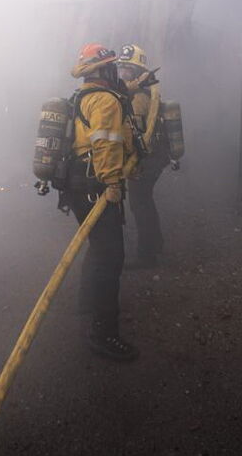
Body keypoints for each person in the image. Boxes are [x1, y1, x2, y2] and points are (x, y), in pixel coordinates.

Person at [65, 42, 139, 361]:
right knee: (111, 257)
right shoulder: (106, 101)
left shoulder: (83, 96)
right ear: (103, 70)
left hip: (77, 186)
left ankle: (86, 302)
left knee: (97, 247)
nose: (116, 71)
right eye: (112, 67)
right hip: (97, 186)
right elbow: (107, 145)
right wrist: (112, 184)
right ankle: (103, 333)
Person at [117, 44, 170, 269]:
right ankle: (155, 244)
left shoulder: (139, 96)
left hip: (147, 157)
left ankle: (147, 255)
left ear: (139, 72)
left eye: (128, 69)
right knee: (144, 201)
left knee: (140, 204)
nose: (122, 73)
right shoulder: (138, 90)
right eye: (121, 67)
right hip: (153, 155)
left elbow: (137, 133)